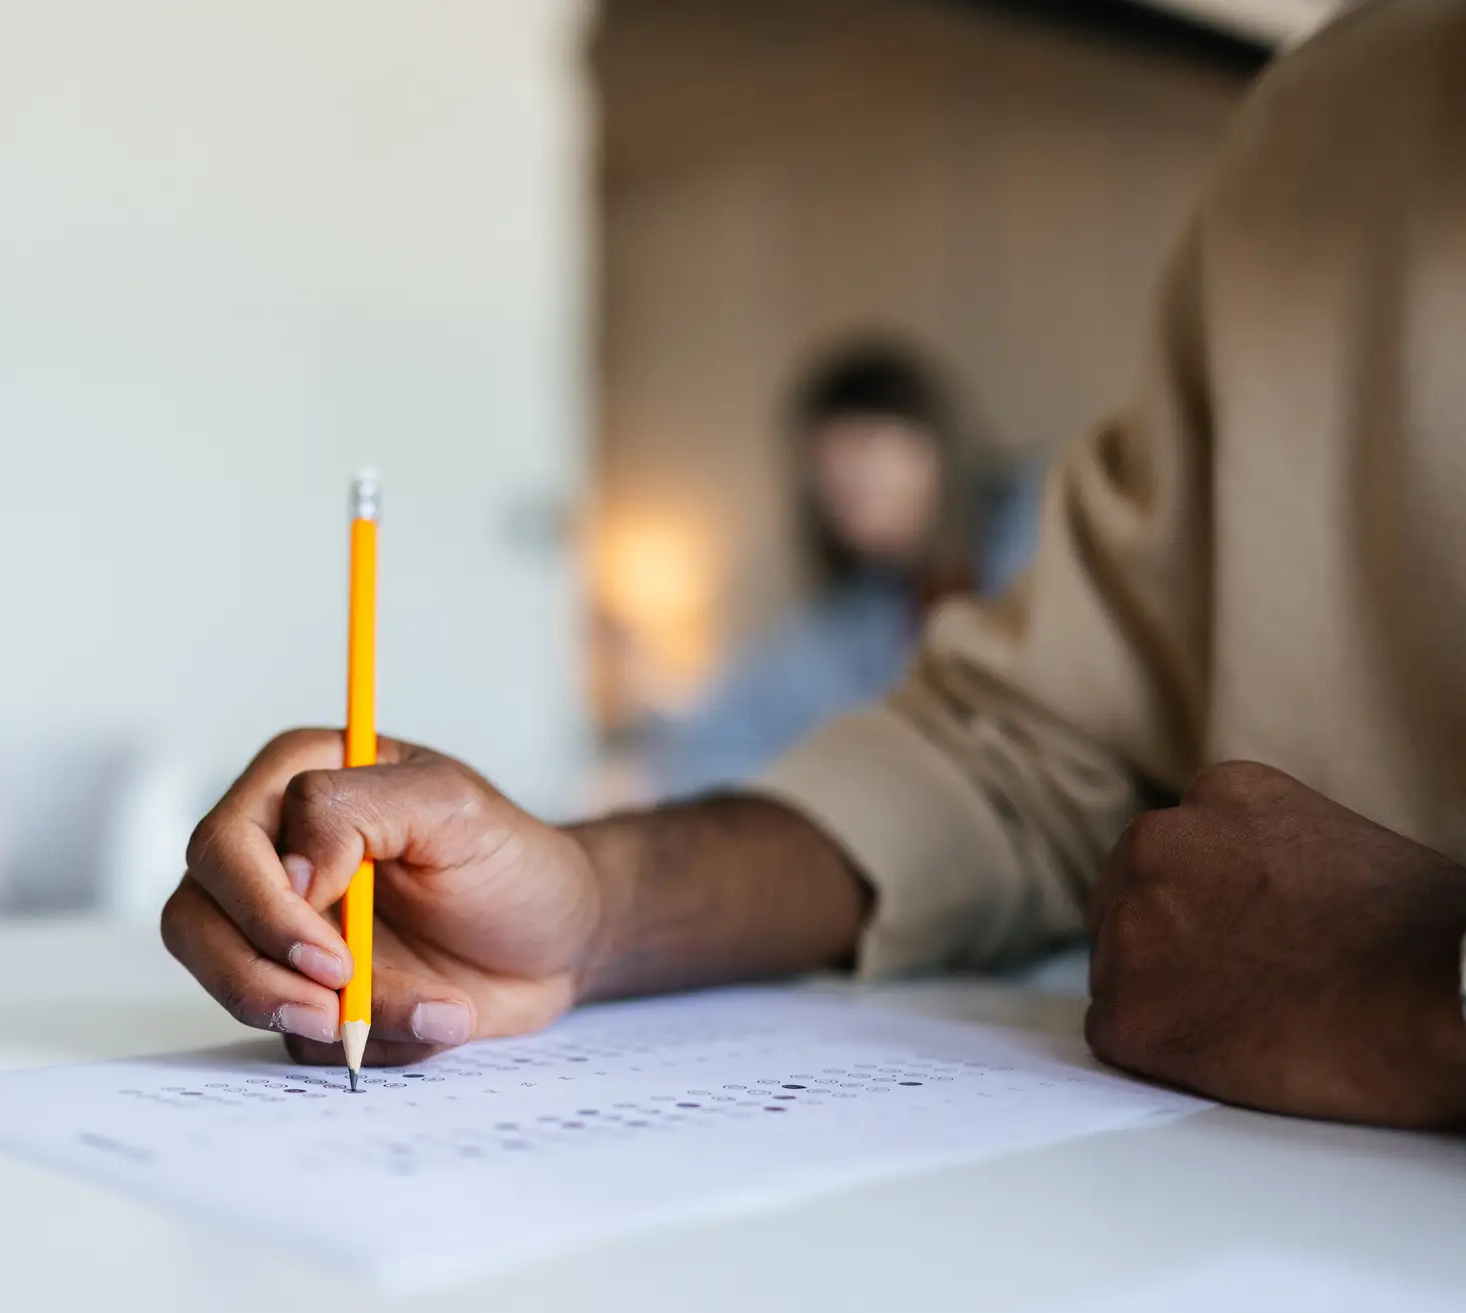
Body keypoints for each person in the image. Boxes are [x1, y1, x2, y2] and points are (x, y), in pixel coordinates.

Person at [161, 0, 1466, 1131]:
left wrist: (1425, 982)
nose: (854, 494)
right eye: (830, 470)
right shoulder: (1333, 126)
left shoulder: (1013, 523)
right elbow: (1020, 759)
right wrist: (595, 897)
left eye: (878, 459)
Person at [646, 342, 1038, 797]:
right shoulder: (851, 619)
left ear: (935, 440)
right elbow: (709, 744)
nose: (845, 483)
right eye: (824, 467)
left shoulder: (1044, 529)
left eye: (866, 451)